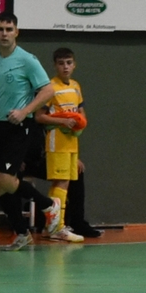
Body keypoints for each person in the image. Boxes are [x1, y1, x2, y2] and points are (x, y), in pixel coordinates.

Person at [0, 11, 62, 251]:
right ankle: (22, 233)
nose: (4, 34)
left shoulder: (27, 60)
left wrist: (24, 111)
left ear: (16, 32)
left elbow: (48, 90)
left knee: (6, 179)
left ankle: (49, 205)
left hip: (19, 127)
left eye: (9, 29)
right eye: (1, 29)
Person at [33, 47, 86, 243]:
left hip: (72, 142)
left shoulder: (76, 86)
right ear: (55, 65)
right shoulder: (50, 88)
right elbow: (39, 116)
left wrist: (80, 123)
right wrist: (62, 121)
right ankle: (58, 227)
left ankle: (51, 227)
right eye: (61, 63)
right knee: (60, 182)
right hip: (57, 141)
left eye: (69, 63)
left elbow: (80, 112)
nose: (65, 67)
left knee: (65, 183)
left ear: (74, 65)